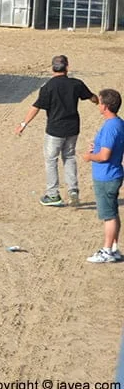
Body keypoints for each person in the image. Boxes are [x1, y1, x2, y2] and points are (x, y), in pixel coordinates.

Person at [15, 55, 98, 207]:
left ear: (52, 68)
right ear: (67, 67)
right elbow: (91, 97)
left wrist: (23, 123)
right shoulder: (76, 84)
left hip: (54, 130)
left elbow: (36, 107)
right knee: (69, 157)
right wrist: (98, 102)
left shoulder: (47, 87)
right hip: (73, 129)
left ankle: (53, 195)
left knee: (51, 160)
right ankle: (73, 190)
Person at [80, 89, 124, 263]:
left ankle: (106, 250)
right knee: (113, 212)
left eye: (99, 102)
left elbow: (105, 156)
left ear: (105, 106)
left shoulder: (109, 127)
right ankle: (114, 248)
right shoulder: (119, 123)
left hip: (106, 176)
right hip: (113, 174)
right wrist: (96, 147)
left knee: (109, 215)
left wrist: (89, 156)